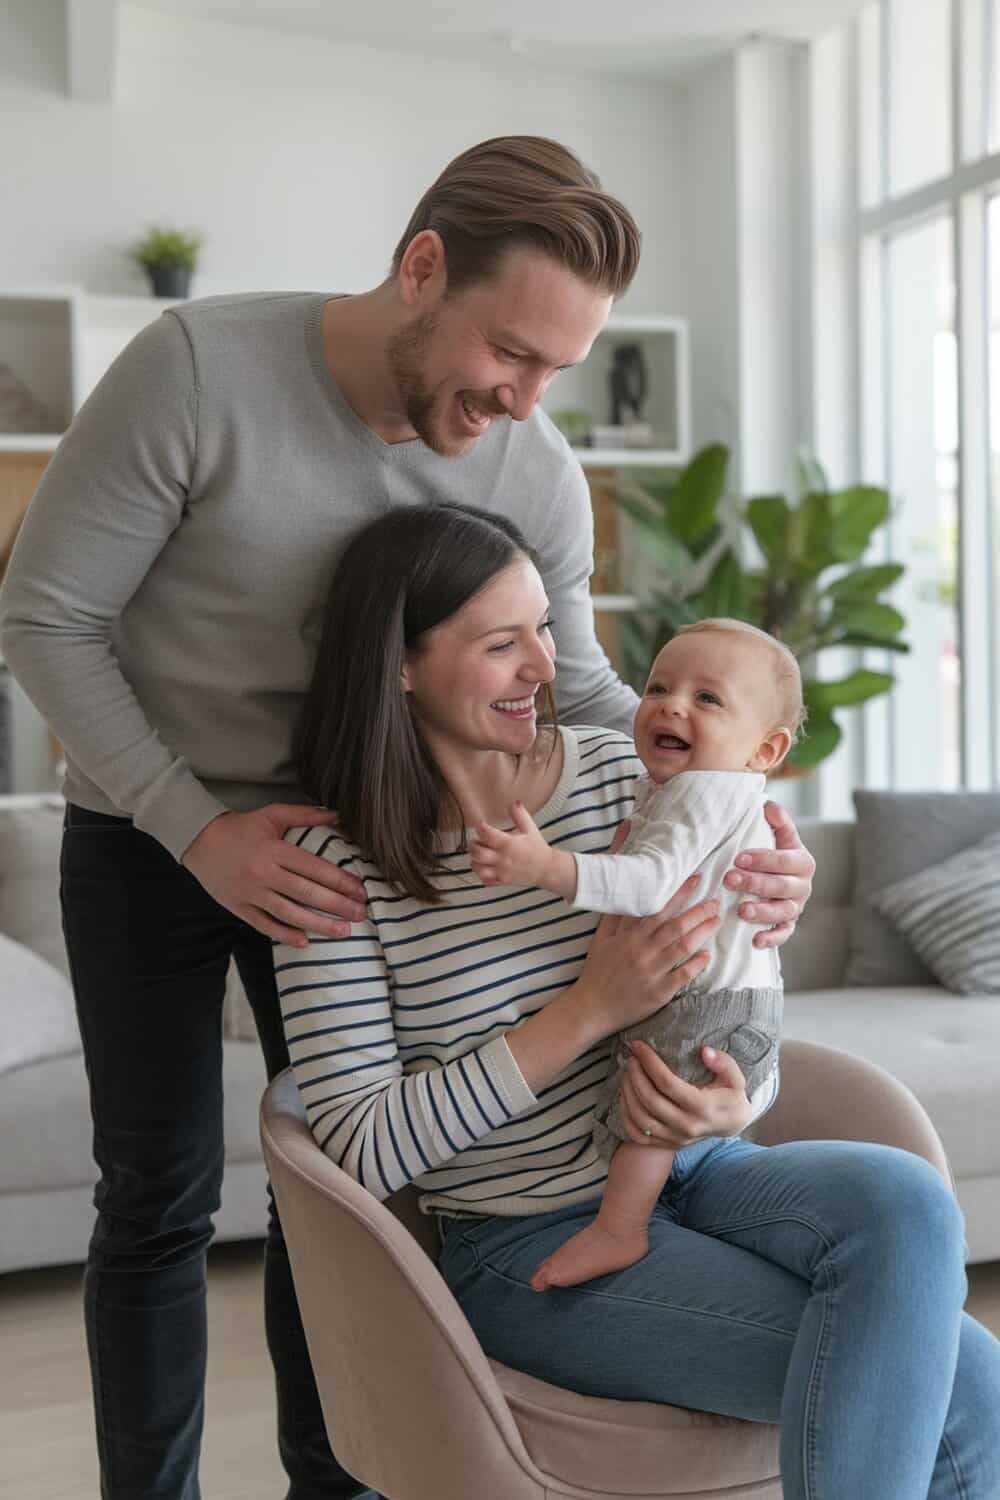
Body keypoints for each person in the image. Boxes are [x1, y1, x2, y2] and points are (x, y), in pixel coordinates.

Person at [0, 137, 816, 1500]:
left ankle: (344, 1485)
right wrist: (197, 827)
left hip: (361, 847)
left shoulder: (528, 463)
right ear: (421, 269)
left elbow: (596, 690)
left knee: (345, 1204)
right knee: (156, 1201)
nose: (526, 398)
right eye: (511, 352)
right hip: (150, 832)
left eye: (559, 367)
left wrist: (744, 826)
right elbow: (45, 616)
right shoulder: (197, 371)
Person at [277, 501, 1000, 1500]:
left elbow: (733, 980)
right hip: (521, 1237)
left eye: (542, 628)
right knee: (968, 1384)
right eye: (502, 643)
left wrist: (732, 1100)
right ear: (400, 662)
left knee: (909, 1199)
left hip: (701, 1171)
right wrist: (584, 1008)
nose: (542, 665)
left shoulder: (631, 772)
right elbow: (362, 1148)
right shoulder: (332, 871)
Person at [469, 618, 804, 1290]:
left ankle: (619, 1228)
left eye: (708, 699)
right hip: (730, 999)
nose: (672, 704)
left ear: (764, 749)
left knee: (647, 1118)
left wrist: (546, 865)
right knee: (648, 1109)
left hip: (707, 1001)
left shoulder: (702, 792)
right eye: (658, 685)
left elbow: (649, 883)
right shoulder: (698, 787)